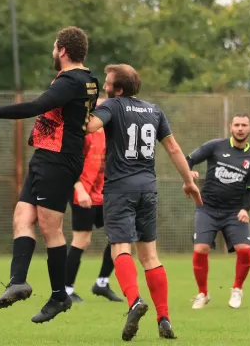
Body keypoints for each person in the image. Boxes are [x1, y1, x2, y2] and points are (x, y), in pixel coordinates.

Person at [0, 26, 99, 323]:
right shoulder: (89, 79)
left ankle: (58, 296)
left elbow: (36, 106)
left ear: (63, 51)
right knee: (21, 218)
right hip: (46, 157)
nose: (53, 52)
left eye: (55, 47)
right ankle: (18, 281)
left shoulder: (72, 80)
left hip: (57, 160)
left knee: (50, 229)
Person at [86, 64, 202, 341]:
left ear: (119, 89)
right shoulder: (154, 110)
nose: (104, 86)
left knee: (120, 249)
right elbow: (173, 148)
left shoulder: (113, 106)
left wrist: (82, 103)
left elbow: (90, 126)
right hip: (148, 189)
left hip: (119, 189)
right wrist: (189, 181)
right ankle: (164, 318)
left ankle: (135, 301)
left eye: (108, 83)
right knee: (150, 256)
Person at [186, 113, 250, 310]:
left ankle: (237, 289)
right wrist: (189, 174)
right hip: (207, 209)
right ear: (230, 127)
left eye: (244, 125)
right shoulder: (215, 146)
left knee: (244, 251)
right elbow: (188, 159)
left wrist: (245, 209)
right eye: (237, 124)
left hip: (234, 212)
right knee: (200, 249)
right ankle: (203, 293)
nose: (240, 128)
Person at [65, 97, 123, 304]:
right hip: (84, 192)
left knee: (119, 237)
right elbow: (68, 162)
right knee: (82, 240)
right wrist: (79, 188)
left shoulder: (114, 133)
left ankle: (102, 282)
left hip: (107, 193)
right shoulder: (83, 132)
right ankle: (66, 289)